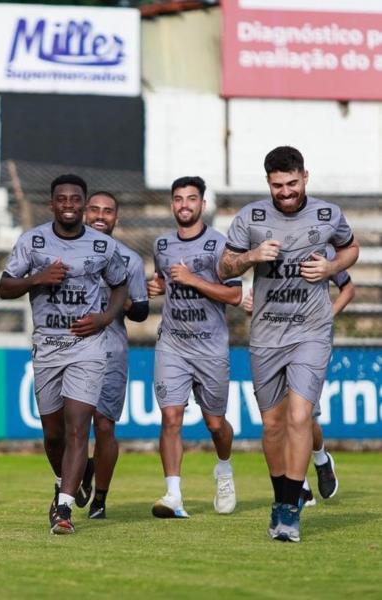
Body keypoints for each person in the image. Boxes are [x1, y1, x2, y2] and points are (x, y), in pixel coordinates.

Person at [219, 146, 359, 542]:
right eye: (278, 185)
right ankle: (282, 497)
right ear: (268, 183)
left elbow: (351, 249)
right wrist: (251, 256)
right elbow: (224, 266)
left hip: (312, 331)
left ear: (305, 177)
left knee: (300, 417)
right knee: (272, 425)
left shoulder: (328, 214)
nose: (285, 192)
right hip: (266, 336)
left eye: (292, 184)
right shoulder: (251, 218)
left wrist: (331, 267)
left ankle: (289, 510)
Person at [0, 174, 128, 534]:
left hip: (87, 347)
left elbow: (120, 284)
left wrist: (103, 318)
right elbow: (5, 287)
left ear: (83, 205)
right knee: (53, 435)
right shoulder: (32, 241)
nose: (68, 205)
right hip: (48, 347)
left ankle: (65, 509)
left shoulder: (103, 246)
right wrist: (37, 279)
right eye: (62, 199)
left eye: (75, 200)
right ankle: (71, 475)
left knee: (77, 429)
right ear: (52, 204)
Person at [148, 176, 241, 519]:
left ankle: (224, 468)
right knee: (171, 417)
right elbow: (161, 278)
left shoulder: (221, 245)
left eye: (191, 199)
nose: (184, 204)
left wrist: (194, 280)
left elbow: (234, 295)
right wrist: (157, 285)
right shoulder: (161, 245)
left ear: (203, 204)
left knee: (215, 425)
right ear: (172, 204)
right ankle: (173, 495)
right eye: (178, 199)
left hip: (211, 346)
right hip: (172, 343)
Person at [241, 251, 355, 506]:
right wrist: (253, 306)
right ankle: (299, 486)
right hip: (272, 342)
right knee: (278, 419)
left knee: (302, 415)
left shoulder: (321, 252)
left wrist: (327, 316)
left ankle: (321, 458)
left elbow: (348, 289)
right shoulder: (269, 251)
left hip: (308, 342)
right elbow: (258, 300)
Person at [75, 191, 149, 519]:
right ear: (83, 212)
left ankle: (100, 499)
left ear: (116, 218)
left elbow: (142, 312)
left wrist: (121, 299)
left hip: (110, 349)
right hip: (69, 348)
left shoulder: (130, 260)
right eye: (94, 210)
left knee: (104, 426)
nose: (100, 216)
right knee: (67, 426)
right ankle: (74, 474)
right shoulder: (62, 252)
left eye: (108, 211)